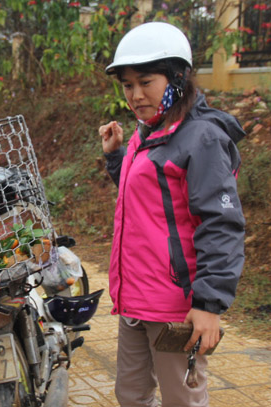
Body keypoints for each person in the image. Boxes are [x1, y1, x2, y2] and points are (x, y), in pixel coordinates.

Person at [98, 22, 245, 407]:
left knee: (181, 399)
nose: (135, 94)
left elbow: (221, 225)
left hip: (176, 306)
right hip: (134, 298)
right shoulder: (146, 131)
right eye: (128, 85)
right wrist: (116, 157)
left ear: (177, 77)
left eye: (146, 81)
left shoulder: (201, 138)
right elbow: (147, 202)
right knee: (130, 395)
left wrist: (209, 305)